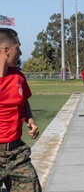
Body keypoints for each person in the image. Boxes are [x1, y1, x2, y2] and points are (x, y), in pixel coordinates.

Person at [0, 28, 42, 191]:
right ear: (6, 51)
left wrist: (30, 119)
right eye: (17, 47)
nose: (21, 52)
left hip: (16, 153)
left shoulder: (18, 77)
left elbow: (23, 101)